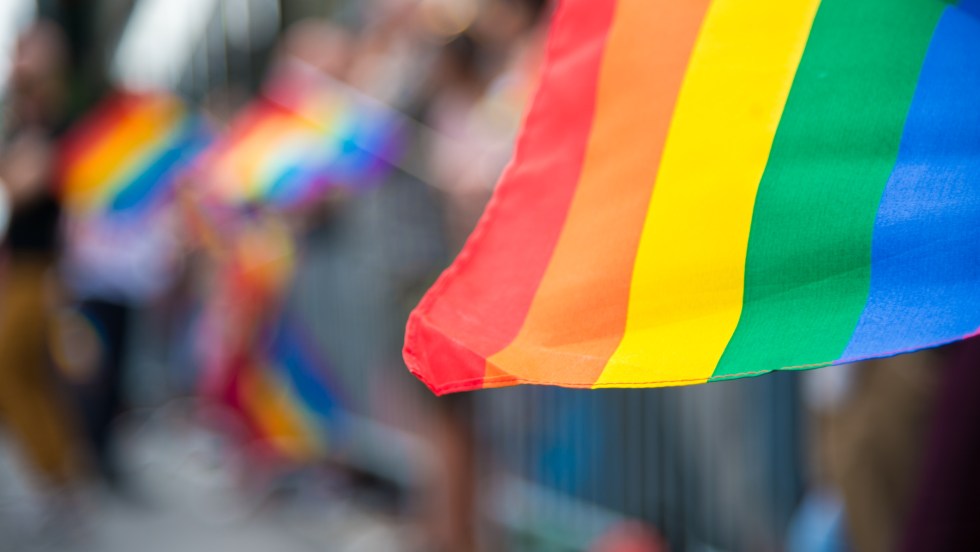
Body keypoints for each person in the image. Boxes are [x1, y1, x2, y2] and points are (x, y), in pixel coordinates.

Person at [0, 20, 81, 498]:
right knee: (28, 373)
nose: (15, 60)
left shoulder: (56, 121)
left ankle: (59, 479)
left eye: (24, 52)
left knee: (11, 368)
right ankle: (60, 479)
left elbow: (23, 183)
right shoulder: (21, 119)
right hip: (21, 265)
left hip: (44, 267)